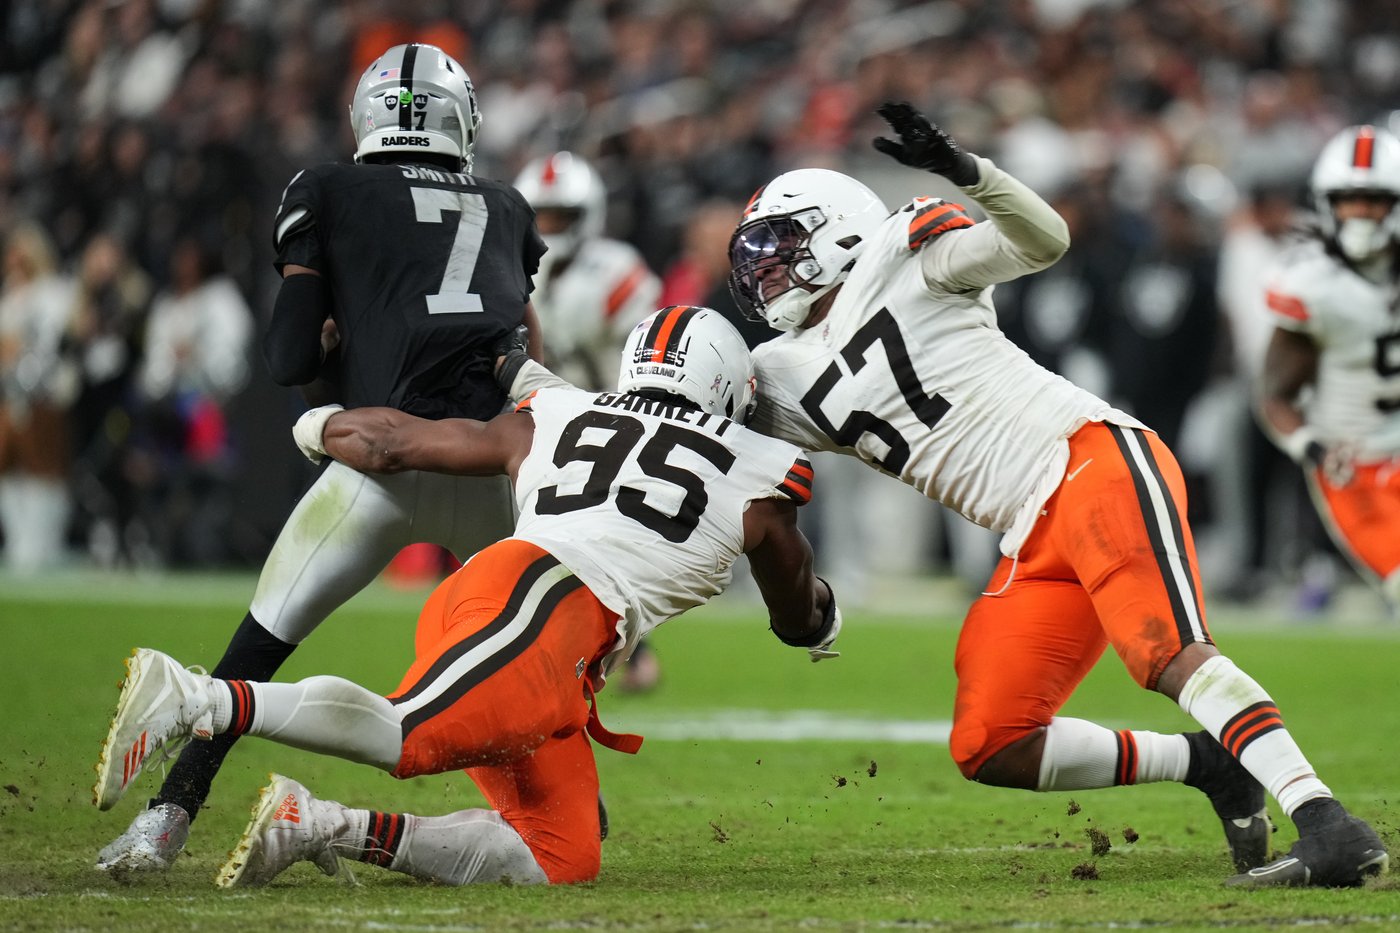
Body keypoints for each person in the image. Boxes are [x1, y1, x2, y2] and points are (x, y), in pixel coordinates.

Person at [505, 102, 1389, 888]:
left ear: (837, 234)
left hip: (1088, 459)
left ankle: (1327, 822)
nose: (764, 272)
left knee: (1166, 651)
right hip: (1029, 528)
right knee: (992, 738)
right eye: (756, 257)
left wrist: (968, 170)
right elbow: (681, 448)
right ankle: (1209, 764)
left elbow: (1044, 240)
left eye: (780, 248)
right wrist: (535, 391)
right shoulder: (773, 372)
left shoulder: (909, 256)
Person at [93, 306, 835, 888]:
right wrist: (821, 615)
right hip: (544, 606)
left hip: (512, 603)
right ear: (728, 387)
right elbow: (795, 614)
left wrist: (318, 425)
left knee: (561, 855)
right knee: (406, 732)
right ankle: (198, 697)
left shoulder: (561, 409)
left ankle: (313, 824)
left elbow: (397, 442)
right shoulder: (759, 470)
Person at [95, 43, 547, 873]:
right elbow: (529, 358)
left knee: (255, 651)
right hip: (486, 469)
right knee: (535, 651)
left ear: (368, 118)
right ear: (460, 120)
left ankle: (165, 822)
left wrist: (339, 343)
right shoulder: (509, 205)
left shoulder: (328, 188)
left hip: (377, 464)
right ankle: (561, 804)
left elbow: (288, 356)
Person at [512, 151, 665, 691]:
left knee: (601, 545)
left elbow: (644, 355)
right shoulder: (508, 265)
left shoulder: (616, 270)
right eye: (542, 216)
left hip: (604, 421)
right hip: (533, 424)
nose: (551, 228)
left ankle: (628, 650)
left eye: (562, 217)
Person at [1257, 125, 1400, 614]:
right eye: (1346, 200)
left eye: (1373, 200)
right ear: (1325, 203)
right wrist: (1311, 447)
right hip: (1358, 466)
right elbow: (1275, 394)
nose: (1359, 212)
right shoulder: (1311, 283)